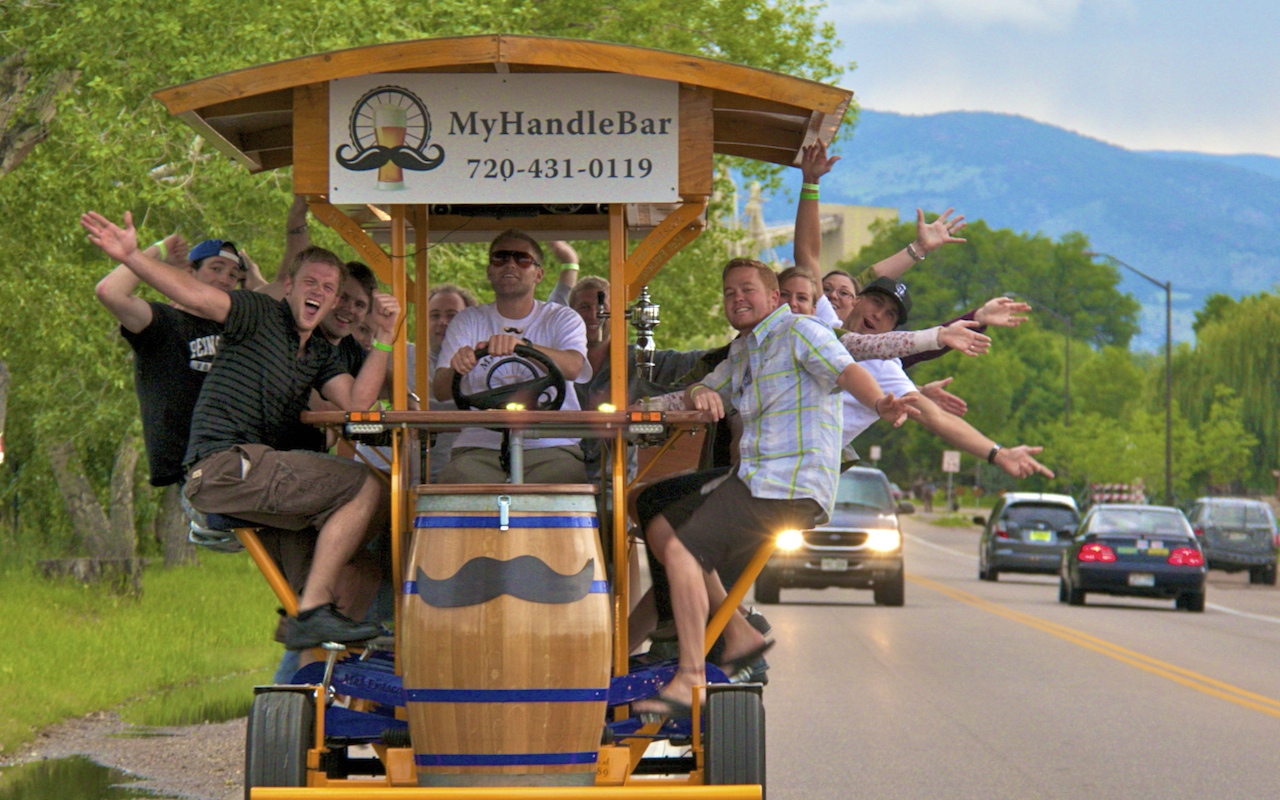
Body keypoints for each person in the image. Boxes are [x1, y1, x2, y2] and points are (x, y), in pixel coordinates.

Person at [81, 210, 403, 649]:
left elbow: (358, 404)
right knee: (365, 486)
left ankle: (319, 654)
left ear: (332, 303)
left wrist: (384, 335)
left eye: (328, 289)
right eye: (310, 283)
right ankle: (312, 615)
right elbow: (196, 297)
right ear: (288, 287)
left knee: (362, 553)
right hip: (224, 468)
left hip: (262, 478)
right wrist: (133, 256)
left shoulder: (320, 354)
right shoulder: (257, 312)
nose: (319, 292)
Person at [631, 258, 918, 715]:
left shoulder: (801, 331)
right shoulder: (746, 351)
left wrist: (881, 401)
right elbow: (705, 388)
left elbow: (846, 371)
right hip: (756, 478)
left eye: (747, 289)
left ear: (773, 297)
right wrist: (693, 394)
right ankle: (738, 632)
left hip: (787, 482)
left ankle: (690, 674)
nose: (737, 298)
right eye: (729, 293)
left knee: (683, 550)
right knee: (655, 511)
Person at [838, 277, 1054, 480]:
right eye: (876, 302)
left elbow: (937, 417)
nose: (878, 315)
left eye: (890, 315)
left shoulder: (884, 366)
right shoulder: (825, 325)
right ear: (856, 299)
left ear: (892, 330)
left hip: (818, 462)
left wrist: (999, 454)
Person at [431, 229, 592, 484]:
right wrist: (458, 366)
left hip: (551, 442)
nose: (510, 264)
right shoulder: (467, 321)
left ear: (539, 274)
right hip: (480, 445)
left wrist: (523, 346)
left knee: (566, 486)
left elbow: (573, 367)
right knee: (454, 485)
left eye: (522, 259)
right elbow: (441, 390)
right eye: (500, 258)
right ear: (489, 271)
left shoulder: (563, 318)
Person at [423, 284, 477, 479]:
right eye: (435, 315)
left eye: (452, 316)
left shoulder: (486, 365)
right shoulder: (399, 358)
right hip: (399, 473)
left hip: (466, 471)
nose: (443, 322)